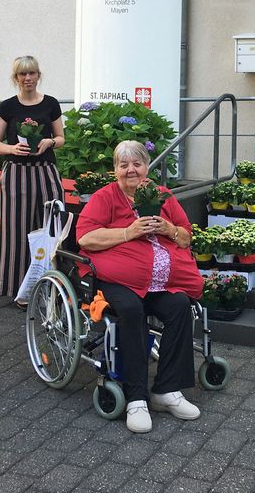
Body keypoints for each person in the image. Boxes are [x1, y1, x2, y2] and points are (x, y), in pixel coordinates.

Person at [76, 141, 202, 434]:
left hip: (161, 281)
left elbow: (186, 237)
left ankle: (166, 391)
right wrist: (127, 232)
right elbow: (85, 239)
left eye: (137, 164)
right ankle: (136, 397)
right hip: (117, 280)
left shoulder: (163, 196)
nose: (131, 170)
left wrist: (168, 229)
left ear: (147, 168)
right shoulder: (105, 197)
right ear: (115, 170)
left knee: (180, 306)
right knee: (131, 310)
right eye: (124, 165)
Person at [0, 56, 65, 304]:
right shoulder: (8, 106)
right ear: (16, 78)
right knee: (16, 232)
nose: (28, 78)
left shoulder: (51, 103)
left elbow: (61, 137)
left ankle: (52, 286)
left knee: (52, 228)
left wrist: (50, 141)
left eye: (31, 73)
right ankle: (19, 290)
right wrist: (12, 149)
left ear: (38, 75)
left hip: (46, 171)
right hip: (15, 174)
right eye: (22, 74)